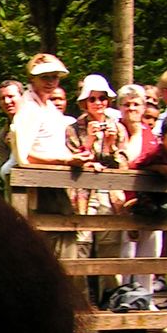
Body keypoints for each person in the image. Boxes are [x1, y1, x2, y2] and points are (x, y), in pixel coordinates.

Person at [10, 54, 95, 301]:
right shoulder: (28, 109)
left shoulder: (47, 107)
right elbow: (25, 156)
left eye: (54, 77)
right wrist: (66, 161)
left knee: (66, 247)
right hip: (37, 189)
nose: (50, 82)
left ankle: (67, 309)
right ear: (32, 79)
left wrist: (79, 156)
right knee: (45, 251)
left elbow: (53, 147)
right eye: (45, 77)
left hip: (57, 186)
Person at [65, 74, 128, 303]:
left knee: (109, 253)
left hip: (109, 197)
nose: (99, 103)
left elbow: (123, 164)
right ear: (84, 103)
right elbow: (73, 159)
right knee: (80, 250)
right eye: (93, 99)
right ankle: (81, 306)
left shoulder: (118, 129)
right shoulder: (73, 129)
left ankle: (111, 304)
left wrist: (110, 146)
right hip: (81, 198)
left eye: (103, 98)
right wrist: (90, 142)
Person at [118, 84, 165, 295]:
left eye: (136, 104)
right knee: (126, 254)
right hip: (123, 202)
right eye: (126, 104)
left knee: (150, 253)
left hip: (149, 201)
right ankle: (124, 297)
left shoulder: (152, 136)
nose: (131, 108)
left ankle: (146, 297)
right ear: (120, 107)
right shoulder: (115, 130)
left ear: (144, 106)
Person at [0, 79, 24, 179]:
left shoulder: (40, 122)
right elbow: (5, 172)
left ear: (22, 97)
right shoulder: (1, 137)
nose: (7, 101)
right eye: (3, 98)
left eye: (11, 96)